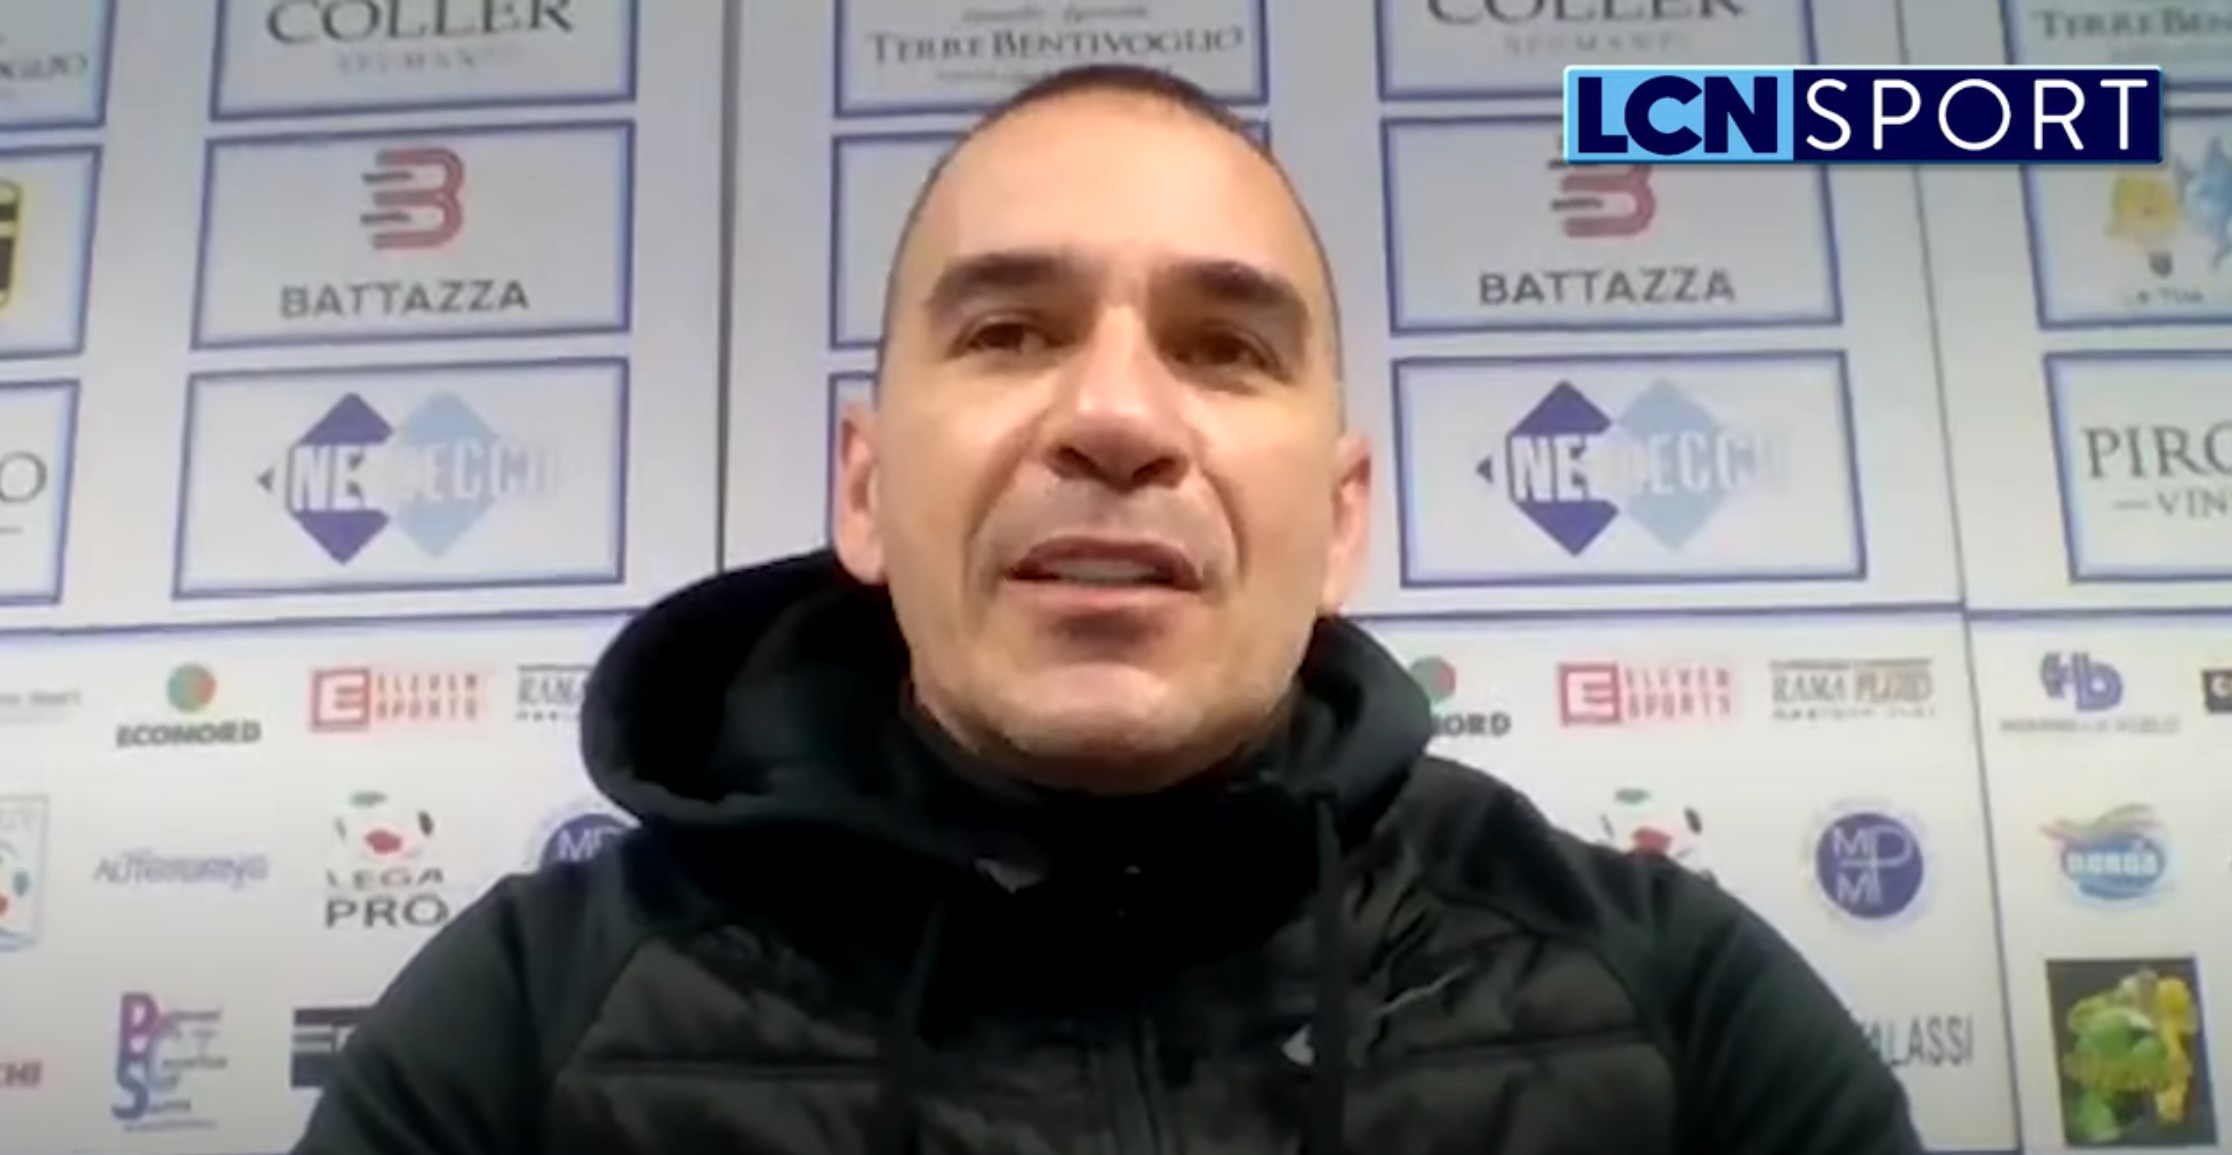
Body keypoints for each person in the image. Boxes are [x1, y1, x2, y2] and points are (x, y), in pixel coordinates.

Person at [293, 63, 1928, 1155]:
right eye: (1010, 332)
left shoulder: (1677, 1008)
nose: (1118, 418)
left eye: (1225, 348)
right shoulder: (524, 1024)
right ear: (864, 490)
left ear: (1340, 520)